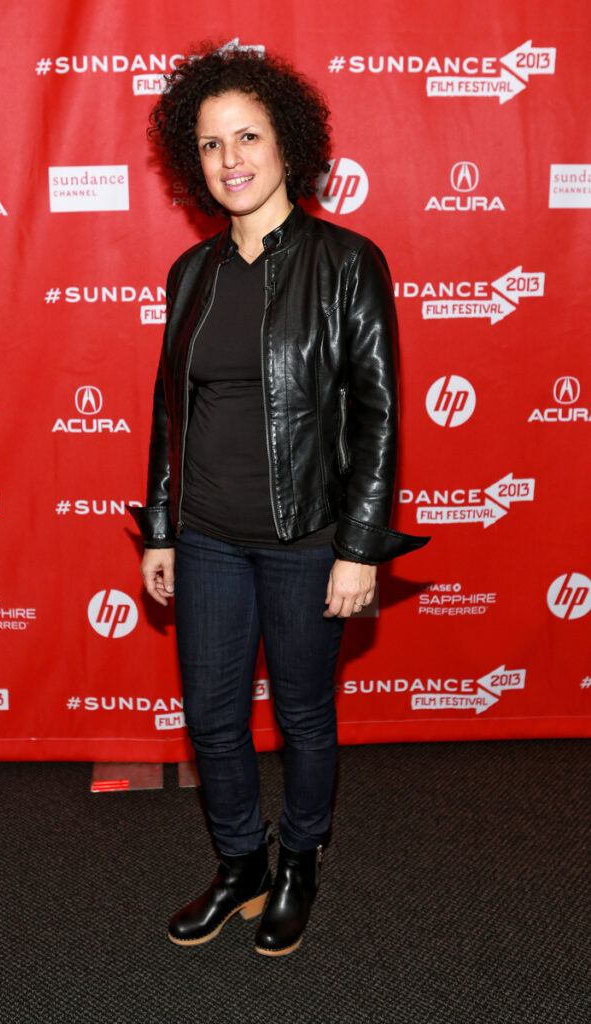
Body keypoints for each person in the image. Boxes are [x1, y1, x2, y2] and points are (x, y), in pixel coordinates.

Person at [129, 44, 429, 957]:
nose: (231, 160)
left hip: (308, 538)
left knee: (302, 715)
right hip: (209, 538)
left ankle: (300, 859)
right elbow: (167, 414)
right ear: (197, 161)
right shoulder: (192, 275)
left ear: (287, 147)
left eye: (248, 137)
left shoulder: (346, 263)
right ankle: (242, 865)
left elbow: (377, 413)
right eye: (212, 145)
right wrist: (161, 527)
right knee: (212, 720)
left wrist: (358, 545)